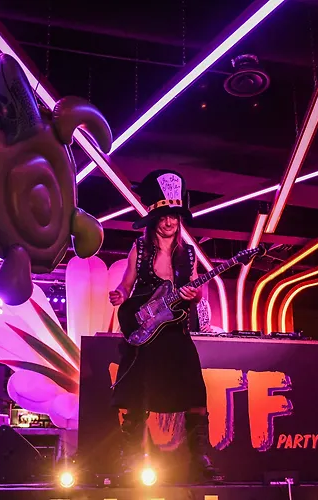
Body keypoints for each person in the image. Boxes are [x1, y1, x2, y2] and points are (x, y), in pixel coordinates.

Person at [109, 170, 222, 483]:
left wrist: (194, 293)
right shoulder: (140, 249)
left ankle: (198, 459)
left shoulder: (188, 253)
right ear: (154, 219)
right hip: (145, 334)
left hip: (175, 331)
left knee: (195, 394)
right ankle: (130, 461)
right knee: (136, 395)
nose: (169, 222)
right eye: (163, 216)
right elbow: (126, 285)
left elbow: (196, 290)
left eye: (174, 216)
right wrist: (119, 295)